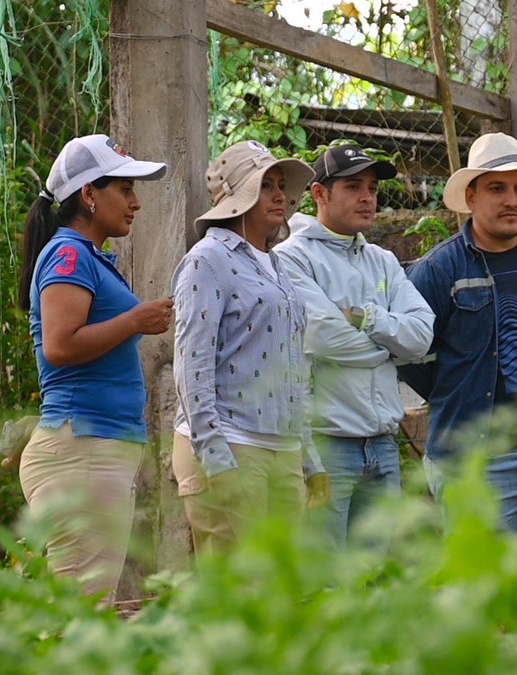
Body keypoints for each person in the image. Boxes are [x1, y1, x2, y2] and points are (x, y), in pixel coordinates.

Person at [398, 132, 517, 532]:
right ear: (471, 197)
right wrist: (461, 390)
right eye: (497, 188)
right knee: (483, 587)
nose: (512, 200)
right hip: (481, 462)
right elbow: (408, 354)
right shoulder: (439, 270)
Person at [17, 134, 170, 602]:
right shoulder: (68, 255)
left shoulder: (84, 256)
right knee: (82, 619)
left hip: (92, 450)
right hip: (82, 449)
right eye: (124, 190)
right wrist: (133, 320)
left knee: (82, 610)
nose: (135, 203)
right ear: (88, 195)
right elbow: (60, 347)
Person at [171, 140, 328, 555]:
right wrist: (214, 454)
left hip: (281, 447)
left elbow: (292, 368)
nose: (280, 195)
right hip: (229, 442)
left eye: (282, 185)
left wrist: (309, 457)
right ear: (238, 196)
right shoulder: (208, 259)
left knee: (281, 594)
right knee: (239, 597)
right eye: (265, 185)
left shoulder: (275, 264)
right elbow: (193, 362)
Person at [275, 145, 434, 548]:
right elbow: (324, 338)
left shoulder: (382, 260)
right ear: (319, 194)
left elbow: (423, 335)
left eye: (372, 188)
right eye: (353, 186)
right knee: (324, 583)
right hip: (327, 445)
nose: (368, 197)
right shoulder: (291, 258)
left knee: (373, 580)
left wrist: (365, 319)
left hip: (382, 444)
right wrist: (390, 348)